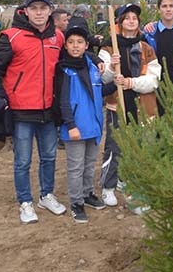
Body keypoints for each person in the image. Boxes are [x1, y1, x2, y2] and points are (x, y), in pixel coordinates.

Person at [0, 0, 67, 224]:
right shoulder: (11, 37)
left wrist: (98, 60)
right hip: (21, 110)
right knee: (22, 160)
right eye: (34, 8)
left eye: (43, 8)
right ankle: (25, 202)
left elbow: (71, 59)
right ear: (26, 11)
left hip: (48, 109)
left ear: (50, 11)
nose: (39, 13)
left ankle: (46, 195)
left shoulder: (58, 37)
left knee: (49, 156)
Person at [98, 3, 161, 210]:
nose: (131, 21)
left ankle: (134, 186)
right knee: (115, 146)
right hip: (118, 106)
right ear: (120, 22)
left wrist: (131, 83)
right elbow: (103, 78)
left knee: (141, 147)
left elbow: (154, 79)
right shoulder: (109, 48)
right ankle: (108, 185)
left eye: (135, 18)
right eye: (127, 18)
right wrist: (111, 66)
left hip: (143, 106)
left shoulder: (146, 48)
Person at [54, 25, 117, 223]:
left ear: (86, 45)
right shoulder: (64, 69)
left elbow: (99, 91)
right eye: (71, 42)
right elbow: (63, 101)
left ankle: (87, 193)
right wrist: (70, 125)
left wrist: (116, 83)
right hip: (75, 127)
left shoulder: (92, 67)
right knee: (76, 167)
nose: (75, 46)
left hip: (93, 125)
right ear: (65, 45)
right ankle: (76, 202)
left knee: (90, 164)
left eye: (80, 42)